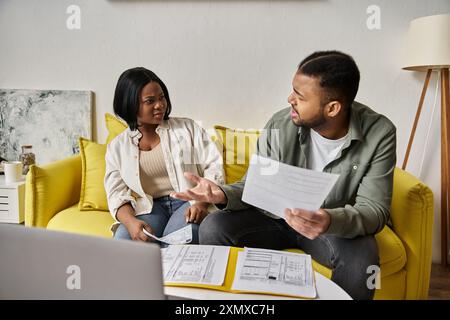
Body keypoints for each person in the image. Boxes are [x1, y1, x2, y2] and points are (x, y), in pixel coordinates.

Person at [171, 51, 397, 300]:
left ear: (332, 108)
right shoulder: (280, 123)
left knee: (363, 260)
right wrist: (222, 194)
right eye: (293, 91)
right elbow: (254, 185)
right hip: (273, 219)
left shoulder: (380, 133)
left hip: (330, 225)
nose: (290, 99)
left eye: (300, 97)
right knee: (214, 226)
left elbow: (374, 209)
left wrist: (328, 220)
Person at [105, 67, 224, 245]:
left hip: (188, 202)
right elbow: (116, 193)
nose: (160, 105)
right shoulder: (117, 147)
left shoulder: (187, 128)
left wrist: (200, 203)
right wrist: (131, 223)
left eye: (162, 97)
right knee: (124, 241)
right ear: (130, 104)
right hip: (150, 207)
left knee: (180, 242)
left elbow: (213, 166)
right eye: (150, 101)